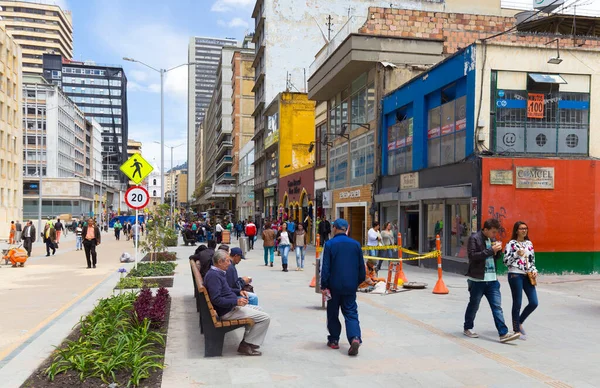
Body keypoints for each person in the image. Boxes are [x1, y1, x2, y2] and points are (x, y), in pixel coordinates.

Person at [204, 250, 271, 356]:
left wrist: (238, 291)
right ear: (220, 262)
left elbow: (226, 290)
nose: (229, 263)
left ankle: (250, 341)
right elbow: (216, 299)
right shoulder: (214, 276)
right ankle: (246, 344)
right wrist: (236, 301)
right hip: (228, 311)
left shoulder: (217, 273)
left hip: (231, 308)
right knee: (265, 318)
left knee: (260, 310)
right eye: (227, 261)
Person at [463, 219, 520, 343]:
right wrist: (491, 250)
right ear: (486, 229)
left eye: (496, 232)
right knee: (474, 305)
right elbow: (472, 256)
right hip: (477, 279)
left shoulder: (492, 239)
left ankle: (503, 333)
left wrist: (498, 251)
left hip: (492, 279)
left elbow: (495, 257)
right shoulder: (474, 238)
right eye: (493, 232)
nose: (494, 235)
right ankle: (467, 327)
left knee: (497, 306)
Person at [320, 218, 365, 356]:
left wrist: (324, 285)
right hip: (350, 286)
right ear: (347, 228)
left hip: (333, 286)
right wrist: (356, 282)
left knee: (333, 313)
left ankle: (334, 340)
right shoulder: (356, 245)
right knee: (351, 312)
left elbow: (325, 268)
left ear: (334, 228)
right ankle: (355, 338)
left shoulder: (329, 244)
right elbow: (361, 269)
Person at [503, 221, 538, 340]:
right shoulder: (511, 244)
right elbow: (505, 261)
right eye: (521, 228)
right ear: (516, 230)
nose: (524, 230)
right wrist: (517, 254)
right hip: (515, 274)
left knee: (534, 302)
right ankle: (516, 330)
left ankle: (520, 321)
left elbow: (532, 261)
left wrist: (534, 270)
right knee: (517, 302)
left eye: (526, 228)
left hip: (527, 275)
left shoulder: (529, 243)